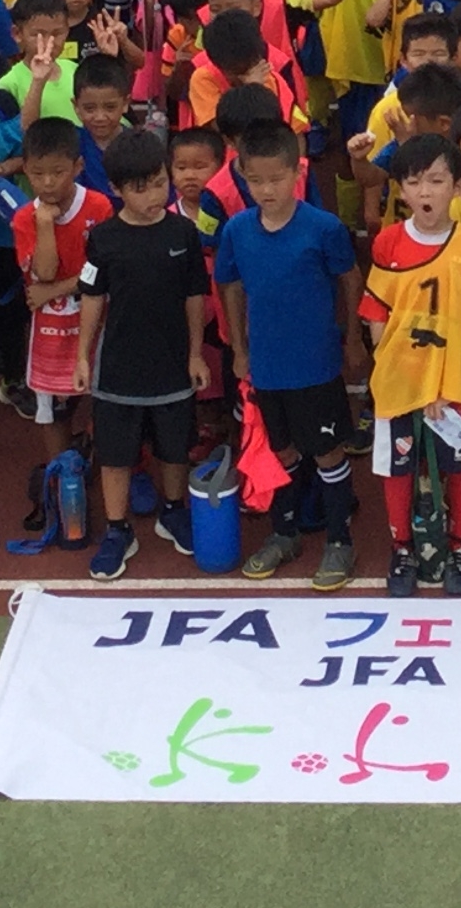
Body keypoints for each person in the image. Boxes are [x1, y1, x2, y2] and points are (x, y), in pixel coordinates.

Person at [215, 116, 365, 587]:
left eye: (276, 178)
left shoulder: (323, 228)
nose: (266, 189)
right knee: (280, 453)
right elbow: (230, 286)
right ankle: (285, 532)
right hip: (265, 366)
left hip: (316, 365)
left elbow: (351, 280)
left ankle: (339, 540)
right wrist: (239, 348)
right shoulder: (237, 230)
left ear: (297, 173)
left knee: (327, 453)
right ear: (241, 174)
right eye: (254, 180)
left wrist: (356, 337)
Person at [361, 133, 461, 595]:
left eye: (437, 181)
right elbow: (377, 314)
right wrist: (399, 371)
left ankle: (460, 546)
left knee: (460, 468)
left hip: (454, 385)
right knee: (399, 469)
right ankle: (403, 548)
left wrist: (446, 386)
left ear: (457, 188)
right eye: (415, 182)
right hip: (401, 382)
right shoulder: (387, 244)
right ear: (400, 190)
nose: (426, 192)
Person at [74, 127, 213, 579]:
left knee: (175, 447)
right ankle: (118, 529)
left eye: (159, 182)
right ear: (114, 189)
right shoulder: (104, 239)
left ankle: (174, 512)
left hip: (173, 362)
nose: (154, 194)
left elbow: (195, 295)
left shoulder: (183, 234)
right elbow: (92, 297)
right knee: (115, 455)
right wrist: (82, 356)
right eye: (141, 188)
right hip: (117, 367)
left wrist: (195, 354)